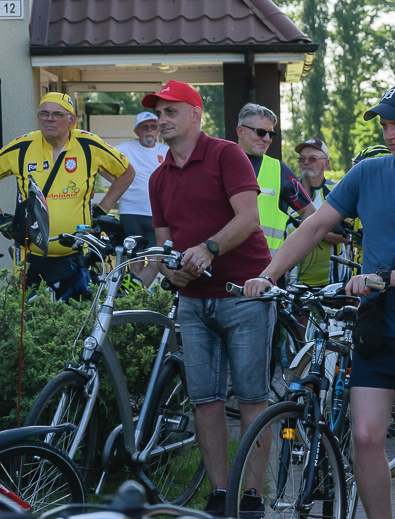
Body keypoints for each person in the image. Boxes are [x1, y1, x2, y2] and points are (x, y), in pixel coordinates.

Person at [243, 83, 395, 519]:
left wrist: (385, 278)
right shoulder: (367, 173)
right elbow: (314, 227)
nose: (390, 133)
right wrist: (267, 275)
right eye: (386, 125)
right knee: (367, 436)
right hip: (378, 329)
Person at [142, 80, 274, 515]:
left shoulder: (225, 154)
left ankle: (252, 495)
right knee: (205, 400)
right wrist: (169, 270)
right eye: (158, 113)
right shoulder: (159, 177)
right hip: (194, 302)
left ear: (196, 114)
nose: (161, 120)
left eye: (170, 112)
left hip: (244, 294)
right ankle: (220, 494)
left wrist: (208, 248)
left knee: (252, 398)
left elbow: (249, 217)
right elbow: (164, 244)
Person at [0, 92, 134, 296]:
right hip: (30, 253)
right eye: (43, 113)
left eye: (57, 114)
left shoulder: (89, 144)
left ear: (72, 120)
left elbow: (127, 172)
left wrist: (101, 209)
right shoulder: (22, 147)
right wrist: (1, 218)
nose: (49, 118)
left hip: (77, 253)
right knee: (28, 319)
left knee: (75, 319)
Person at [234, 102, 313, 259]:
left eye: (271, 134)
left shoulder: (279, 170)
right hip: (223, 266)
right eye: (260, 132)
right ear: (240, 131)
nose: (267, 139)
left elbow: (310, 213)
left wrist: (289, 255)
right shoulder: (218, 164)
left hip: (266, 271)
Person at [294, 137, 351, 286]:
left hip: (332, 283)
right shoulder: (288, 191)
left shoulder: (337, 191)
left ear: (326, 164)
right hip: (292, 282)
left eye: (313, 159)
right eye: (302, 158)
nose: (306, 162)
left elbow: (345, 237)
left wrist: (312, 229)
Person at [115, 111, 169, 247]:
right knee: (135, 258)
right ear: (136, 131)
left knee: (156, 258)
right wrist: (118, 183)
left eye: (153, 126)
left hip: (157, 213)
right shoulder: (125, 149)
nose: (149, 130)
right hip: (130, 212)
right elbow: (100, 163)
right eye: (145, 127)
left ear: (158, 130)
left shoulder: (167, 151)